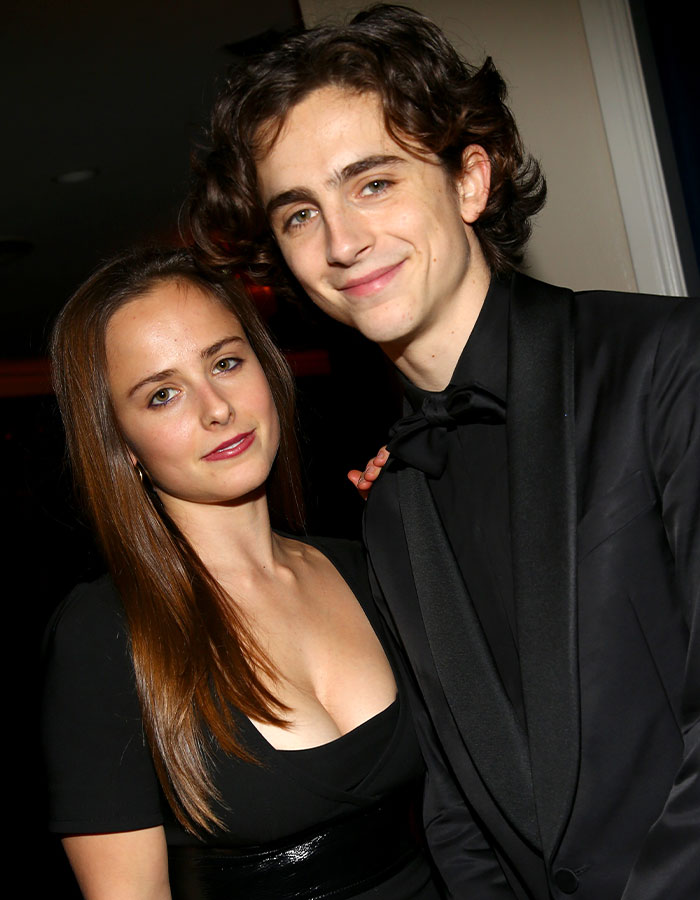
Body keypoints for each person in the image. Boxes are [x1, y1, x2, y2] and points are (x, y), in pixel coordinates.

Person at [185, 4, 700, 899]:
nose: (342, 242)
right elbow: (459, 799)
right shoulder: (390, 499)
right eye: (300, 214)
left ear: (469, 180)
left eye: (372, 182)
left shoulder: (664, 361)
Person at [42, 246, 444, 900]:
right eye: (163, 394)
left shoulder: (371, 564)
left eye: (226, 362)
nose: (217, 408)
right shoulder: (105, 635)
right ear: (123, 446)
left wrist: (434, 519)